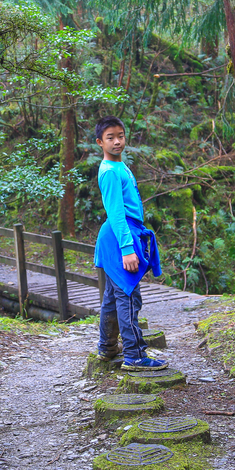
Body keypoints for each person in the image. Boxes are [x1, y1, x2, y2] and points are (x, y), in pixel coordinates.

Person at [92, 115, 168, 371]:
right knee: (128, 296)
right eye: (110, 138)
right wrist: (127, 249)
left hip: (123, 233)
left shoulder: (120, 166)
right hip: (118, 238)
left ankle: (107, 347)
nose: (117, 142)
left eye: (120, 136)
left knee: (114, 297)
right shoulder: (110, 173)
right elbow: (115, 213)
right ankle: (134, 355)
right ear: (99, 142)